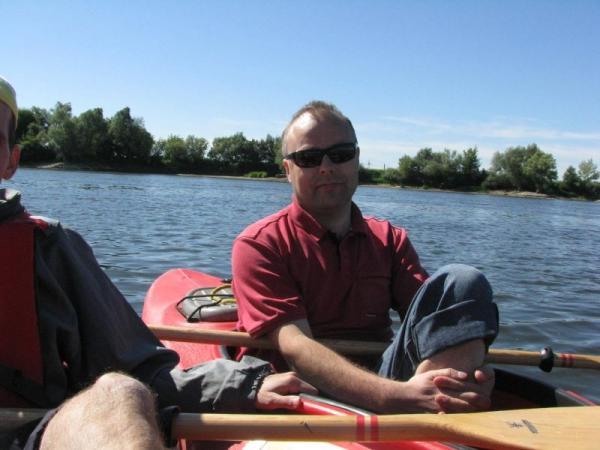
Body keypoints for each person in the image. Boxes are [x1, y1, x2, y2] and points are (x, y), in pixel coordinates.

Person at [0, 76, 317, 450]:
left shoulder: (48, 249)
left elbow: (140, 373)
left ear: (11, 161)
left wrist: (243, 385)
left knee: (117, 391)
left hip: (23, 439)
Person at [232, 100, 499, 414]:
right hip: (303, 394)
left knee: (463, 282)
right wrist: (400, 396)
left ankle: (443, 406)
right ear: (288, 170)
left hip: (386, 380)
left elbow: (433, 321)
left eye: (341, 154)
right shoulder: (259, 244)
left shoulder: (390, 239)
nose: (326, 167)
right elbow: (296, 348)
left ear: (356, 159)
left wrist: (469, 355)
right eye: (309, 158)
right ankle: (435, 413)